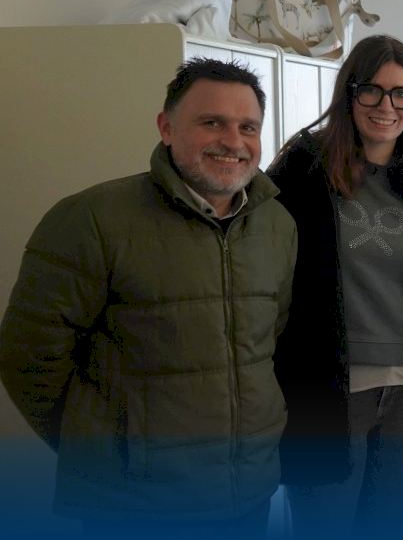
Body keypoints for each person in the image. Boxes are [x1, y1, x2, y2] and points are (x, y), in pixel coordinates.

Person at [0, 58, 297, 537]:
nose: (233, 141)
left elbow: (268, 341)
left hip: (249, 492)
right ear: (166, 127)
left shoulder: (277, 225)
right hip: (133, 503)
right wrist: (107, 450)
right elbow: (27, 358)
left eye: (248, 127)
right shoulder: (92, 220)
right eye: (212, 123)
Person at [266, 35, 403, 537]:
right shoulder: (303, 173)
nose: (387, 106)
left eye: (402, 93)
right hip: (326, 392)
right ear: (349, 94)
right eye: (372, 90)